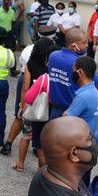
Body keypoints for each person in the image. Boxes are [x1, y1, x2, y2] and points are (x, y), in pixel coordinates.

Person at [17, 37, 58, 171]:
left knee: (26, 135)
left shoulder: (31, 63)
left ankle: (20, 164)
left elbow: (25, 87)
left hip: (33, 106)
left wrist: (22, 105)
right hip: (49, 108)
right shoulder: (52, 68)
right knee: (43, 141)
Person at [47, 28, 98, 119]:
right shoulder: (80, 63)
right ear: (73, 45)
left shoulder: (53, 56)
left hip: (55, 110)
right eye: (84, 43)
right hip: (75, 112)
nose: (87, 45)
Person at [64, 56, 98, 134]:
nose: (72, 74)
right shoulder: (93, 90)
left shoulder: (83, 97)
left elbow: (66, 118)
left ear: (80, 72)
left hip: (81, 140)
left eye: (74, 71)